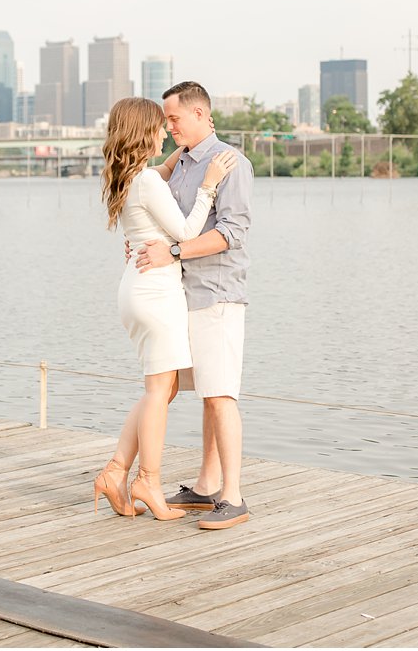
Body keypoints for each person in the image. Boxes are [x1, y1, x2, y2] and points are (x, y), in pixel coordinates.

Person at [93, 96, 237, 521]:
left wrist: (184, 152)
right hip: (156, 293)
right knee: (160, 391)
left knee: (164, 389)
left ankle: (116, 472)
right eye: (160, 125)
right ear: (143, 131)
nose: (164, 131)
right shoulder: (149, 183)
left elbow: (160, 172)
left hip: (136, 290)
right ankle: (148, 482)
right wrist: (209, 183)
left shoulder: (131, 177)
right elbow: (188, 231)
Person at [135, 80, 254, 530]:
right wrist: (148, 247)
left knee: (221, 394)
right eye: (165, 119)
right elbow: (172, 223)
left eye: (174, 118)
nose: (168, 126)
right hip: (183, 295)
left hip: (217, 294)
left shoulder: (231, 163)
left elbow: (232, 232)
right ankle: (206, 487)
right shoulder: (180, 165)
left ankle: (234, 497)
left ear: (202, 114)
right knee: (206, 392)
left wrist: (175, 253)